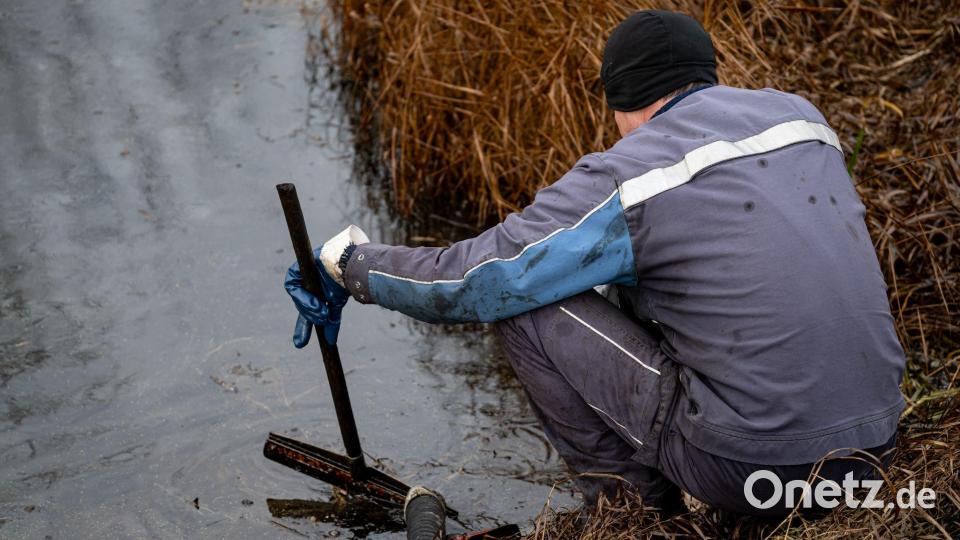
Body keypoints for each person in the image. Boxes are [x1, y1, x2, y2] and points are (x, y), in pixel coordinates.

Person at [284, 10, 905, 517]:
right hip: (876, 449)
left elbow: (474, 282)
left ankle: (634, 517)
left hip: (758, 471)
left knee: (526, 304)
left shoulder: (632, 173)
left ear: (623, 98)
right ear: (705, 76)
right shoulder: (802, 120)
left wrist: (349, 264)